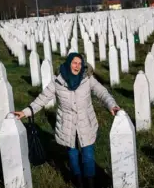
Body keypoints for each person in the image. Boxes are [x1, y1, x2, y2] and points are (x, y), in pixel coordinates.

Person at [13, 52, 120, 188]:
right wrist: (25, 112)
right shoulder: (58, 81)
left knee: (88, 156)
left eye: (80, 63)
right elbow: (42, 99)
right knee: (73, 156)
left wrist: (112, 105)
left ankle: (91, 183)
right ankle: (79, 182)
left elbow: (102, 92)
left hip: (85, 123)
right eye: (74, 63)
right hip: (67, 126)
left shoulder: (87, 78)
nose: (77, 66)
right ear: (69, 63)